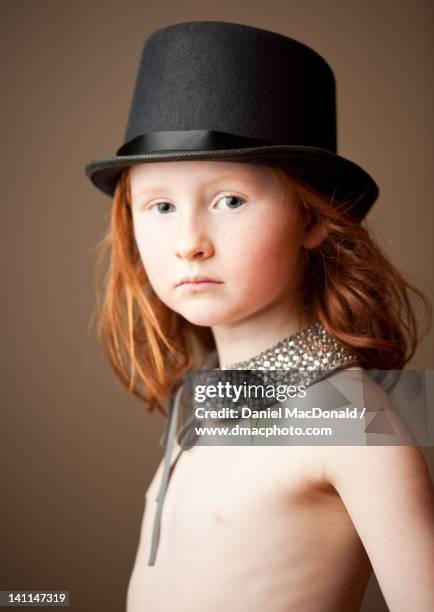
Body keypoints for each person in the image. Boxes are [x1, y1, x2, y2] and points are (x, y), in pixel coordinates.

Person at [84, 21, 434, 612]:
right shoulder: (203, 411)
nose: (190, 241)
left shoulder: (350, 421)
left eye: (230, 200)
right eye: (161, 205)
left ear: (315, 217)